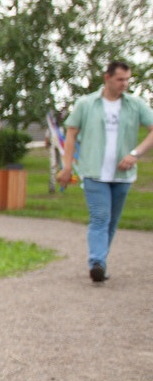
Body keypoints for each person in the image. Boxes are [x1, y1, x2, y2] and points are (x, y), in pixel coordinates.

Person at [55, 59, 153, 282]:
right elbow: (71, 134)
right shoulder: (87, 103)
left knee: (111, 221)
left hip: (123, 175)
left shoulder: (135, 105)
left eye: (127, 80)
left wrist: (135, 154)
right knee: (100, 217)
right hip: (94, 171)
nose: (124, 84)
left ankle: (100, 261)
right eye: (120, 79)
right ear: (107, 78)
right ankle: (96, 262)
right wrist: (67, 165)